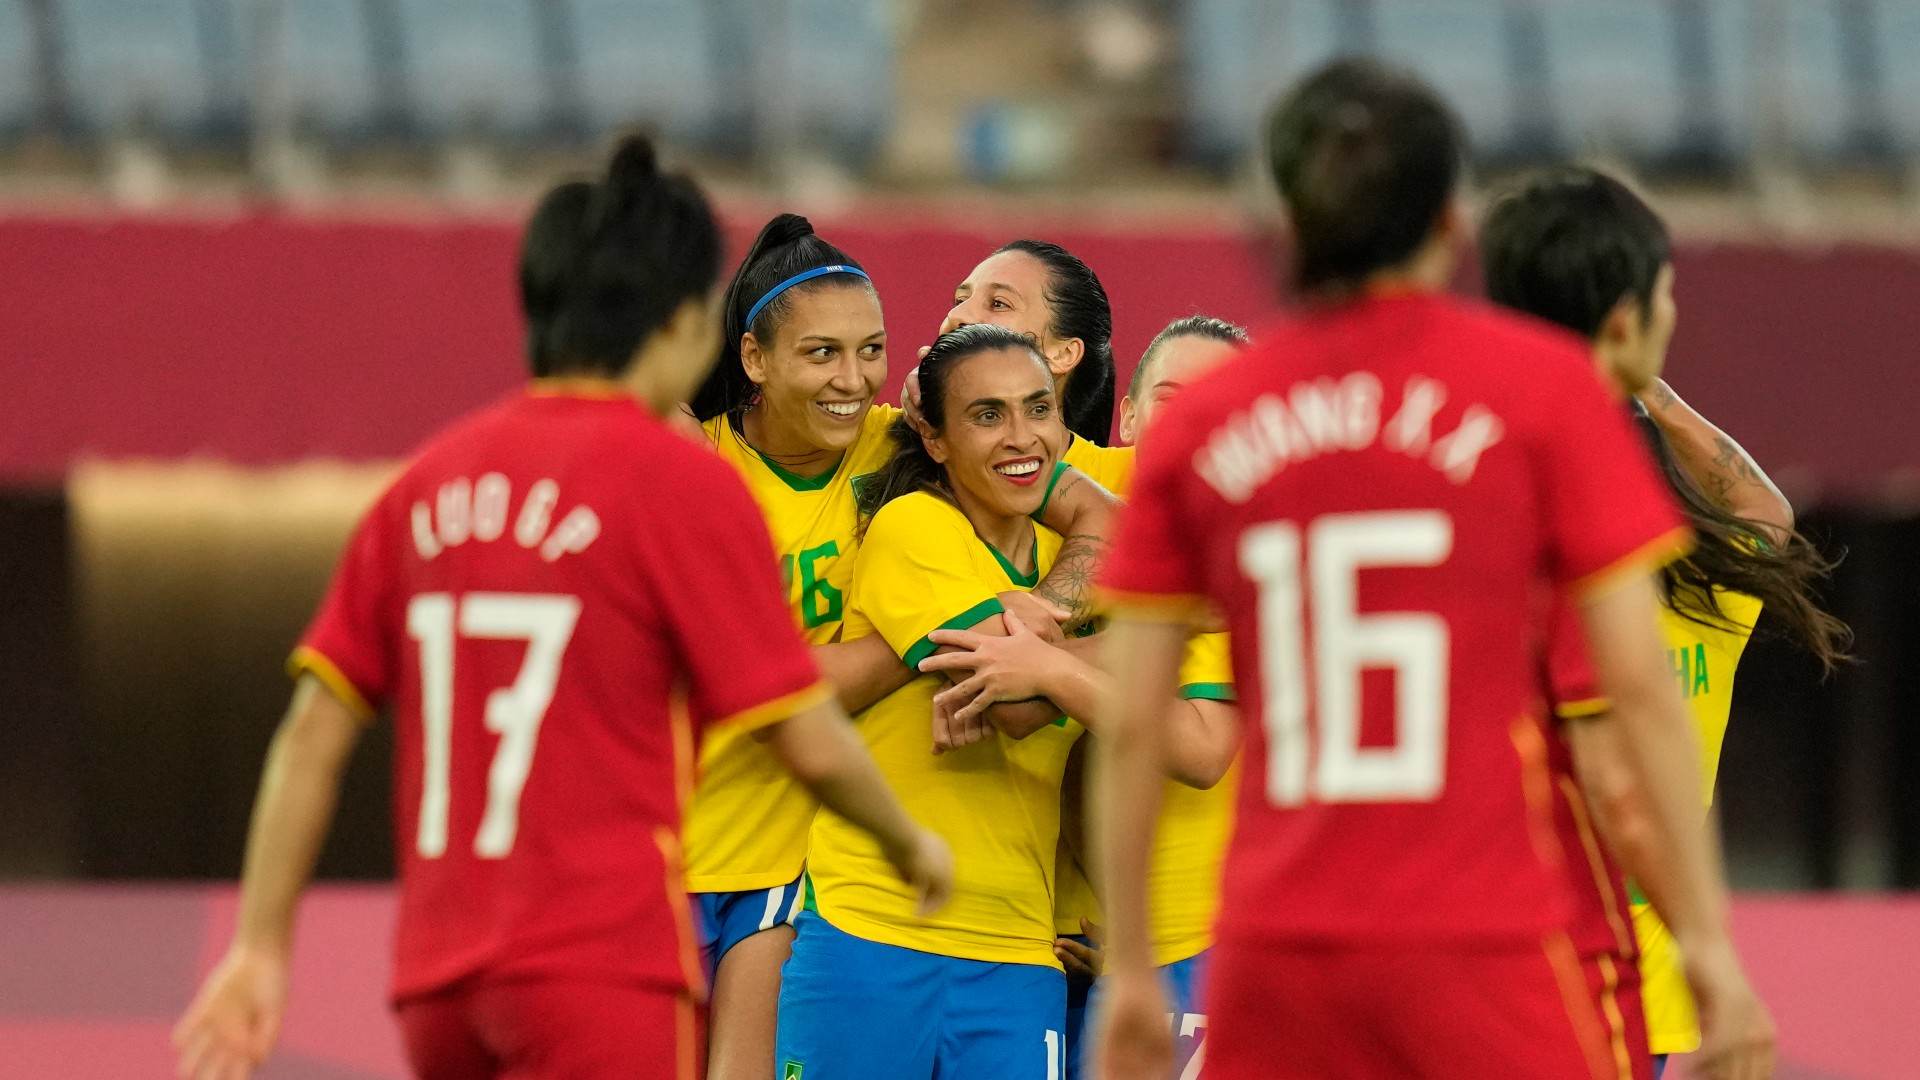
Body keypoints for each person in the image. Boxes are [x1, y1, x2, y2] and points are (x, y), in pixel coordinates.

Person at [170, 138, 952, 1080]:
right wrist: (908, 842)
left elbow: (309, 733)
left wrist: (259, 947)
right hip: (600, 956)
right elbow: (796, 723)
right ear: (686, 327)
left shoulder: (424, 486)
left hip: (436, 972)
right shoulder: (676, 484)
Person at [1091, 58, 1775, 1080]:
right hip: (1483, 937)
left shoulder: (1199, 425)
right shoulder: (1542, 399)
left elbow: (1135, 721)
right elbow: (1630, 705)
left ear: (1283, 223)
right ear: (1452, 224)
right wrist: (1710, 950)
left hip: (1280, 951)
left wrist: (1135, 974)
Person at [683, 213, 1119, 1080]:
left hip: (794, 863)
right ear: (753, 358)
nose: (854, 381)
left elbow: (1100, 516)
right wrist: (933, 645)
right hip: (674, 831)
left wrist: (1040, 612)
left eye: (872, 351)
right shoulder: (698, 467)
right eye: (823, 354)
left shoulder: (908, 436)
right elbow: (744, 686)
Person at [1482, 166, 1851, 1079]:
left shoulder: (1593, 582)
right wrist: (1652, 394)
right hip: (1599, 958)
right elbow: (1762, 508)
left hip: (1544, 950)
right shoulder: (1705, 594)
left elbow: (1763, 514)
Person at [921, 315, 1251, 1079]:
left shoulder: (1237, 546)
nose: (1197, 423)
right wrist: (918, 396)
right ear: (1128, 416)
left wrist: (1049, 668)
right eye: (1175, 399)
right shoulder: (1086, 493)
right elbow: (989, 431)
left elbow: (1203, 750)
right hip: (1065, 941)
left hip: (1188, 946)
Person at [773, 324, 1089, 1080]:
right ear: (936, 440)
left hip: (1018, 953)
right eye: (987, 415)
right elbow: (1015, 707)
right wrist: (1125, 653)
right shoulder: (913, 525)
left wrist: (1047, 658)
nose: (1022, 437)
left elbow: (1037, 682)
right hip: (872, 933)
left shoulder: (1068, 561)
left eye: (1038, 408)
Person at [937, 238, 1134, 495]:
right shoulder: (895, 440)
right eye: (960, 300)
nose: (956, 316)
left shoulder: (1134, 479)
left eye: (999, 303)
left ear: (1063, 353)